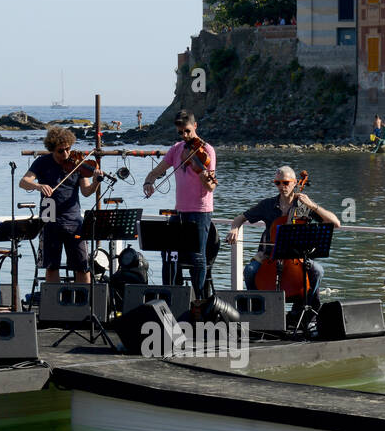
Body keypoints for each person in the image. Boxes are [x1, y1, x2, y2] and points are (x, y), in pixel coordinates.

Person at [225, 166, 341, 306]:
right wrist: (234, 228)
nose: (281, 186)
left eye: (285, 183)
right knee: (250, 271)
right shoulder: (267, 205)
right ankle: (257, 309)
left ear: (295, 183)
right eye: (277, 183)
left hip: (298, 257)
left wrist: (312, 205)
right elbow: (240, 218)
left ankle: (305, 312)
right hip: (270, 256)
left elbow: (335, 223)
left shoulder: (304, 206)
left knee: (317, 271)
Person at [141, 111, 216, 297]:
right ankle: (172, 294)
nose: (185, 136)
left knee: (197, 256)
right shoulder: (176, 148)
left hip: (200, 211)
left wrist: (200, 171)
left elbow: (210, 187)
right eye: (181, 132)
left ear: (195, 126)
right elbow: (157, 171)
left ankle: (198, 298)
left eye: (188, 131)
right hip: (179, 210)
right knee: (168, 254)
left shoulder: (207, 151)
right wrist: (149, 182)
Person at [20, 127, 105, 285]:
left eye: (68, 149)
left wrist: (95, 182)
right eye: (61, 151)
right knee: (52, 266)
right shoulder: (42, 162)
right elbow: (24, 182)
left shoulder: (78, 163)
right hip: (49, 216)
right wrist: (39, 186)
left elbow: (86, 192)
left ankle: (83, 303)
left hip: (73, 219)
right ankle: (54, 305)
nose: (66, 154)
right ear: (52, 149)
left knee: (82, 266)